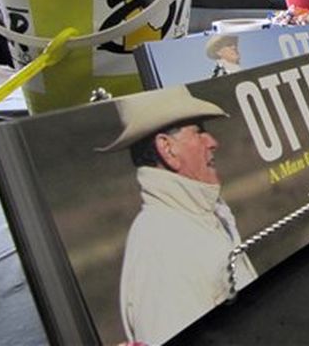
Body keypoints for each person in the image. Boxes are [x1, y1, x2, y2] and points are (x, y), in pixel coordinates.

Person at [97, 86, 258, 344]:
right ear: (168, 149)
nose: (213, 142)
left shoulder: (198, 217)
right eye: (198, 132)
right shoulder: (162, 246)